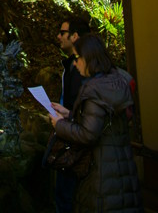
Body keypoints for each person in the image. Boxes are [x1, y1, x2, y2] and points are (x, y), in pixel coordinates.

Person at [50, 34, 143, 213]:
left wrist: (59, 125)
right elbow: (100, 120)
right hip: (121, 169)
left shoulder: (95, 90)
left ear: (89, 58)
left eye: (78, 58)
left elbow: (88, 134)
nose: (75, 64)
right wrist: (70, 114)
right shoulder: (115, 81)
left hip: (101, 174)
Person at [54, 14, 91, 213]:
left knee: (68, 196)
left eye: (63, 32)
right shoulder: (70, 67)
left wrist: (67, 117)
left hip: (76, 139)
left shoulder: (83, 69)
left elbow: (84, 110)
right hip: (71, 133)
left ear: (75, 36)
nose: (58, 36)